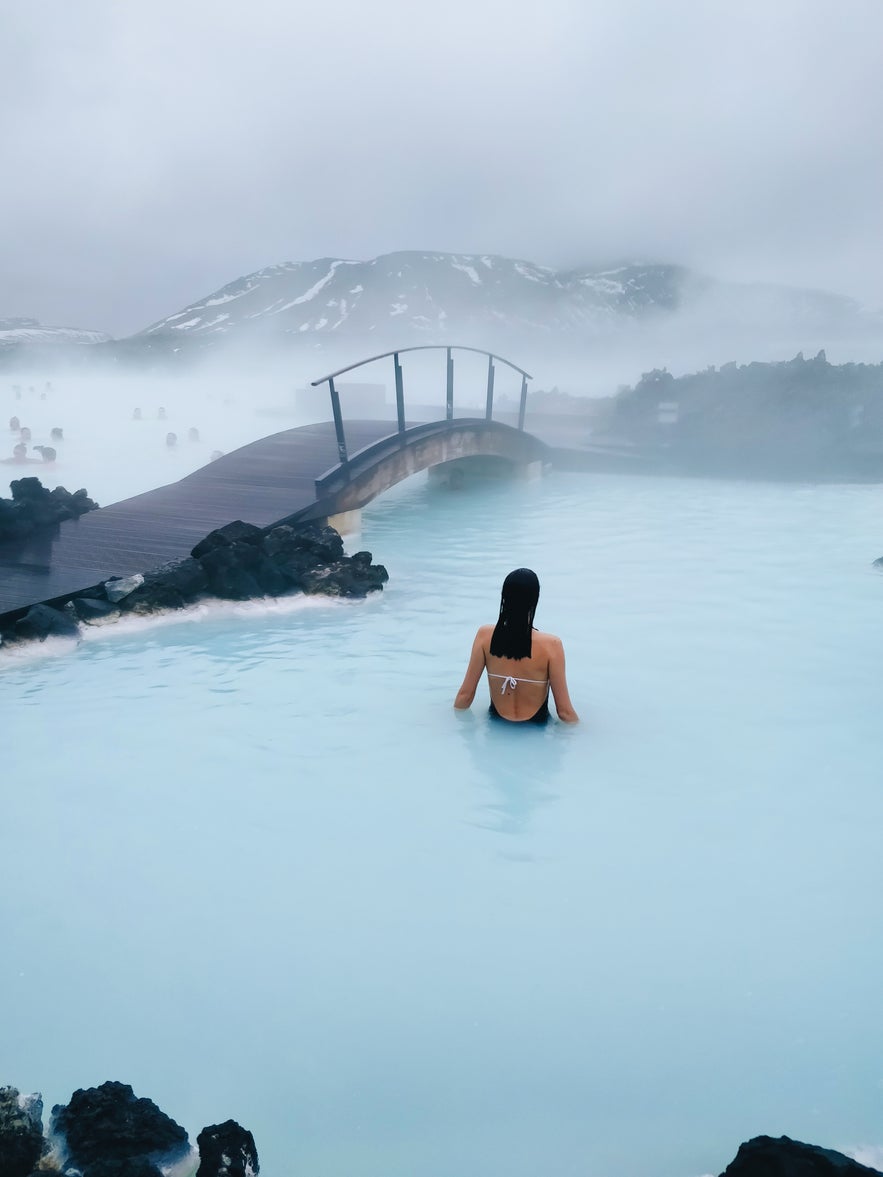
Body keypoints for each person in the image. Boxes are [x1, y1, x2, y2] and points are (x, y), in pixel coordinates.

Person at [454, 568, 579, 724]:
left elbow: (465, 697)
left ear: (504, 597)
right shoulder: (552, 646)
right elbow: (565, 713)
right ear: (535, 600)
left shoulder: (484, 636)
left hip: (496, 724)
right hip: (536, 730)